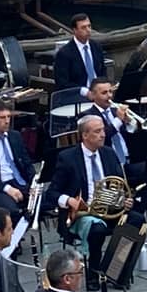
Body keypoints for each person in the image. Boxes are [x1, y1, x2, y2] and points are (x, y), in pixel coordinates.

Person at [52, 113, 126, 272]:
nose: (103, 134)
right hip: (83, 214)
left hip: (110, 210)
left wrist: (124, 199)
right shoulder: (67, 158)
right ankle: (94, 272)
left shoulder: (108, 153)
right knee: (97, 230)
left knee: (137, 221)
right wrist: (69, 200)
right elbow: (52, 192)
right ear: (85, 135)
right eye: (97, 131)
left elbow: (120, 185)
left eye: (103, 130)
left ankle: (116, 267)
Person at [52, 13, 109, 101]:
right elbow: (62, 83)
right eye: (83, 27)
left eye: (89, 26)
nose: (88, 30)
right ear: (75, 30)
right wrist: (85, 92)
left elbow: (102, 71)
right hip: (77, 95)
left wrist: (105, 86)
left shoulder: (96, 46)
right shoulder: (64, 53)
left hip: (99, 93)